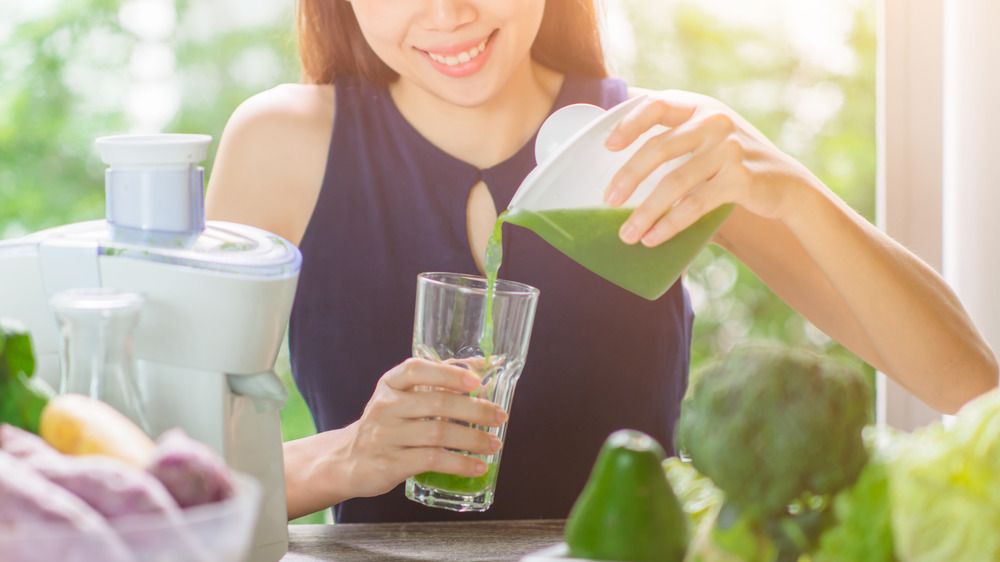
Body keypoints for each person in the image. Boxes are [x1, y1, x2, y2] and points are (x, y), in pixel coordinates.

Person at [205, 0, 998, 523]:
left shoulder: (652, 145)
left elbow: (966, 385)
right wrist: (347, 457)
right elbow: (179, 483)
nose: (447, 13)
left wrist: (787, 189)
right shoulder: (284, 144)